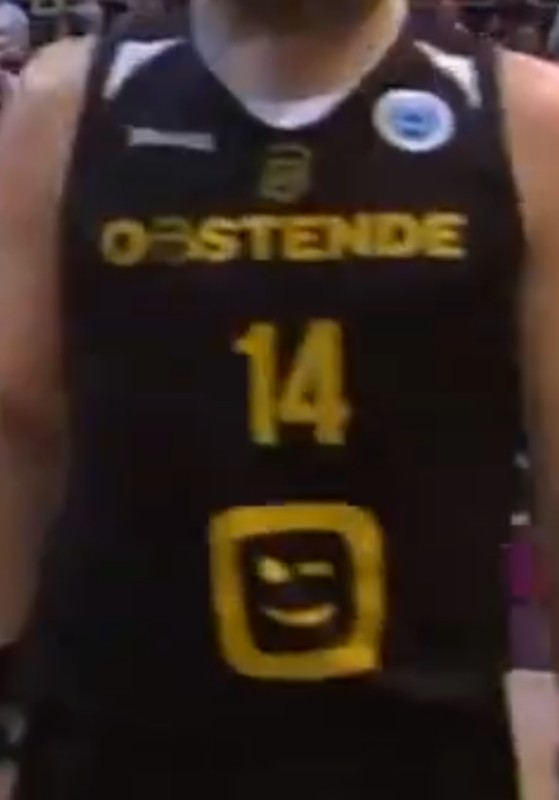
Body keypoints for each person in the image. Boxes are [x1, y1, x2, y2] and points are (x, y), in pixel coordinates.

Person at [0, 0, 559, 797]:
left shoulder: (527, 121)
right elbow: (17, 436)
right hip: (112, 738)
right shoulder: (69, 103)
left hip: (418, 746)